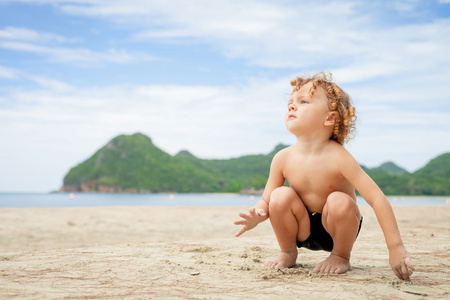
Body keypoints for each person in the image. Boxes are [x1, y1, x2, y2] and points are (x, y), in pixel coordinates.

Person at [234, 72, 414, 280]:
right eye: (290, 103)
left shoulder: (339, 157)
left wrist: (395, 247)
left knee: (339, 200)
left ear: (330, 118)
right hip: (301, 229)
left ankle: (340, 256)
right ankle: (288, 251)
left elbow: (377, 199)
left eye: (303, 101)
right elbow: (266, 201)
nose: (292, 106)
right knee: (280, 195)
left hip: (336, 230)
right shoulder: (282, 158)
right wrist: (258, 215)